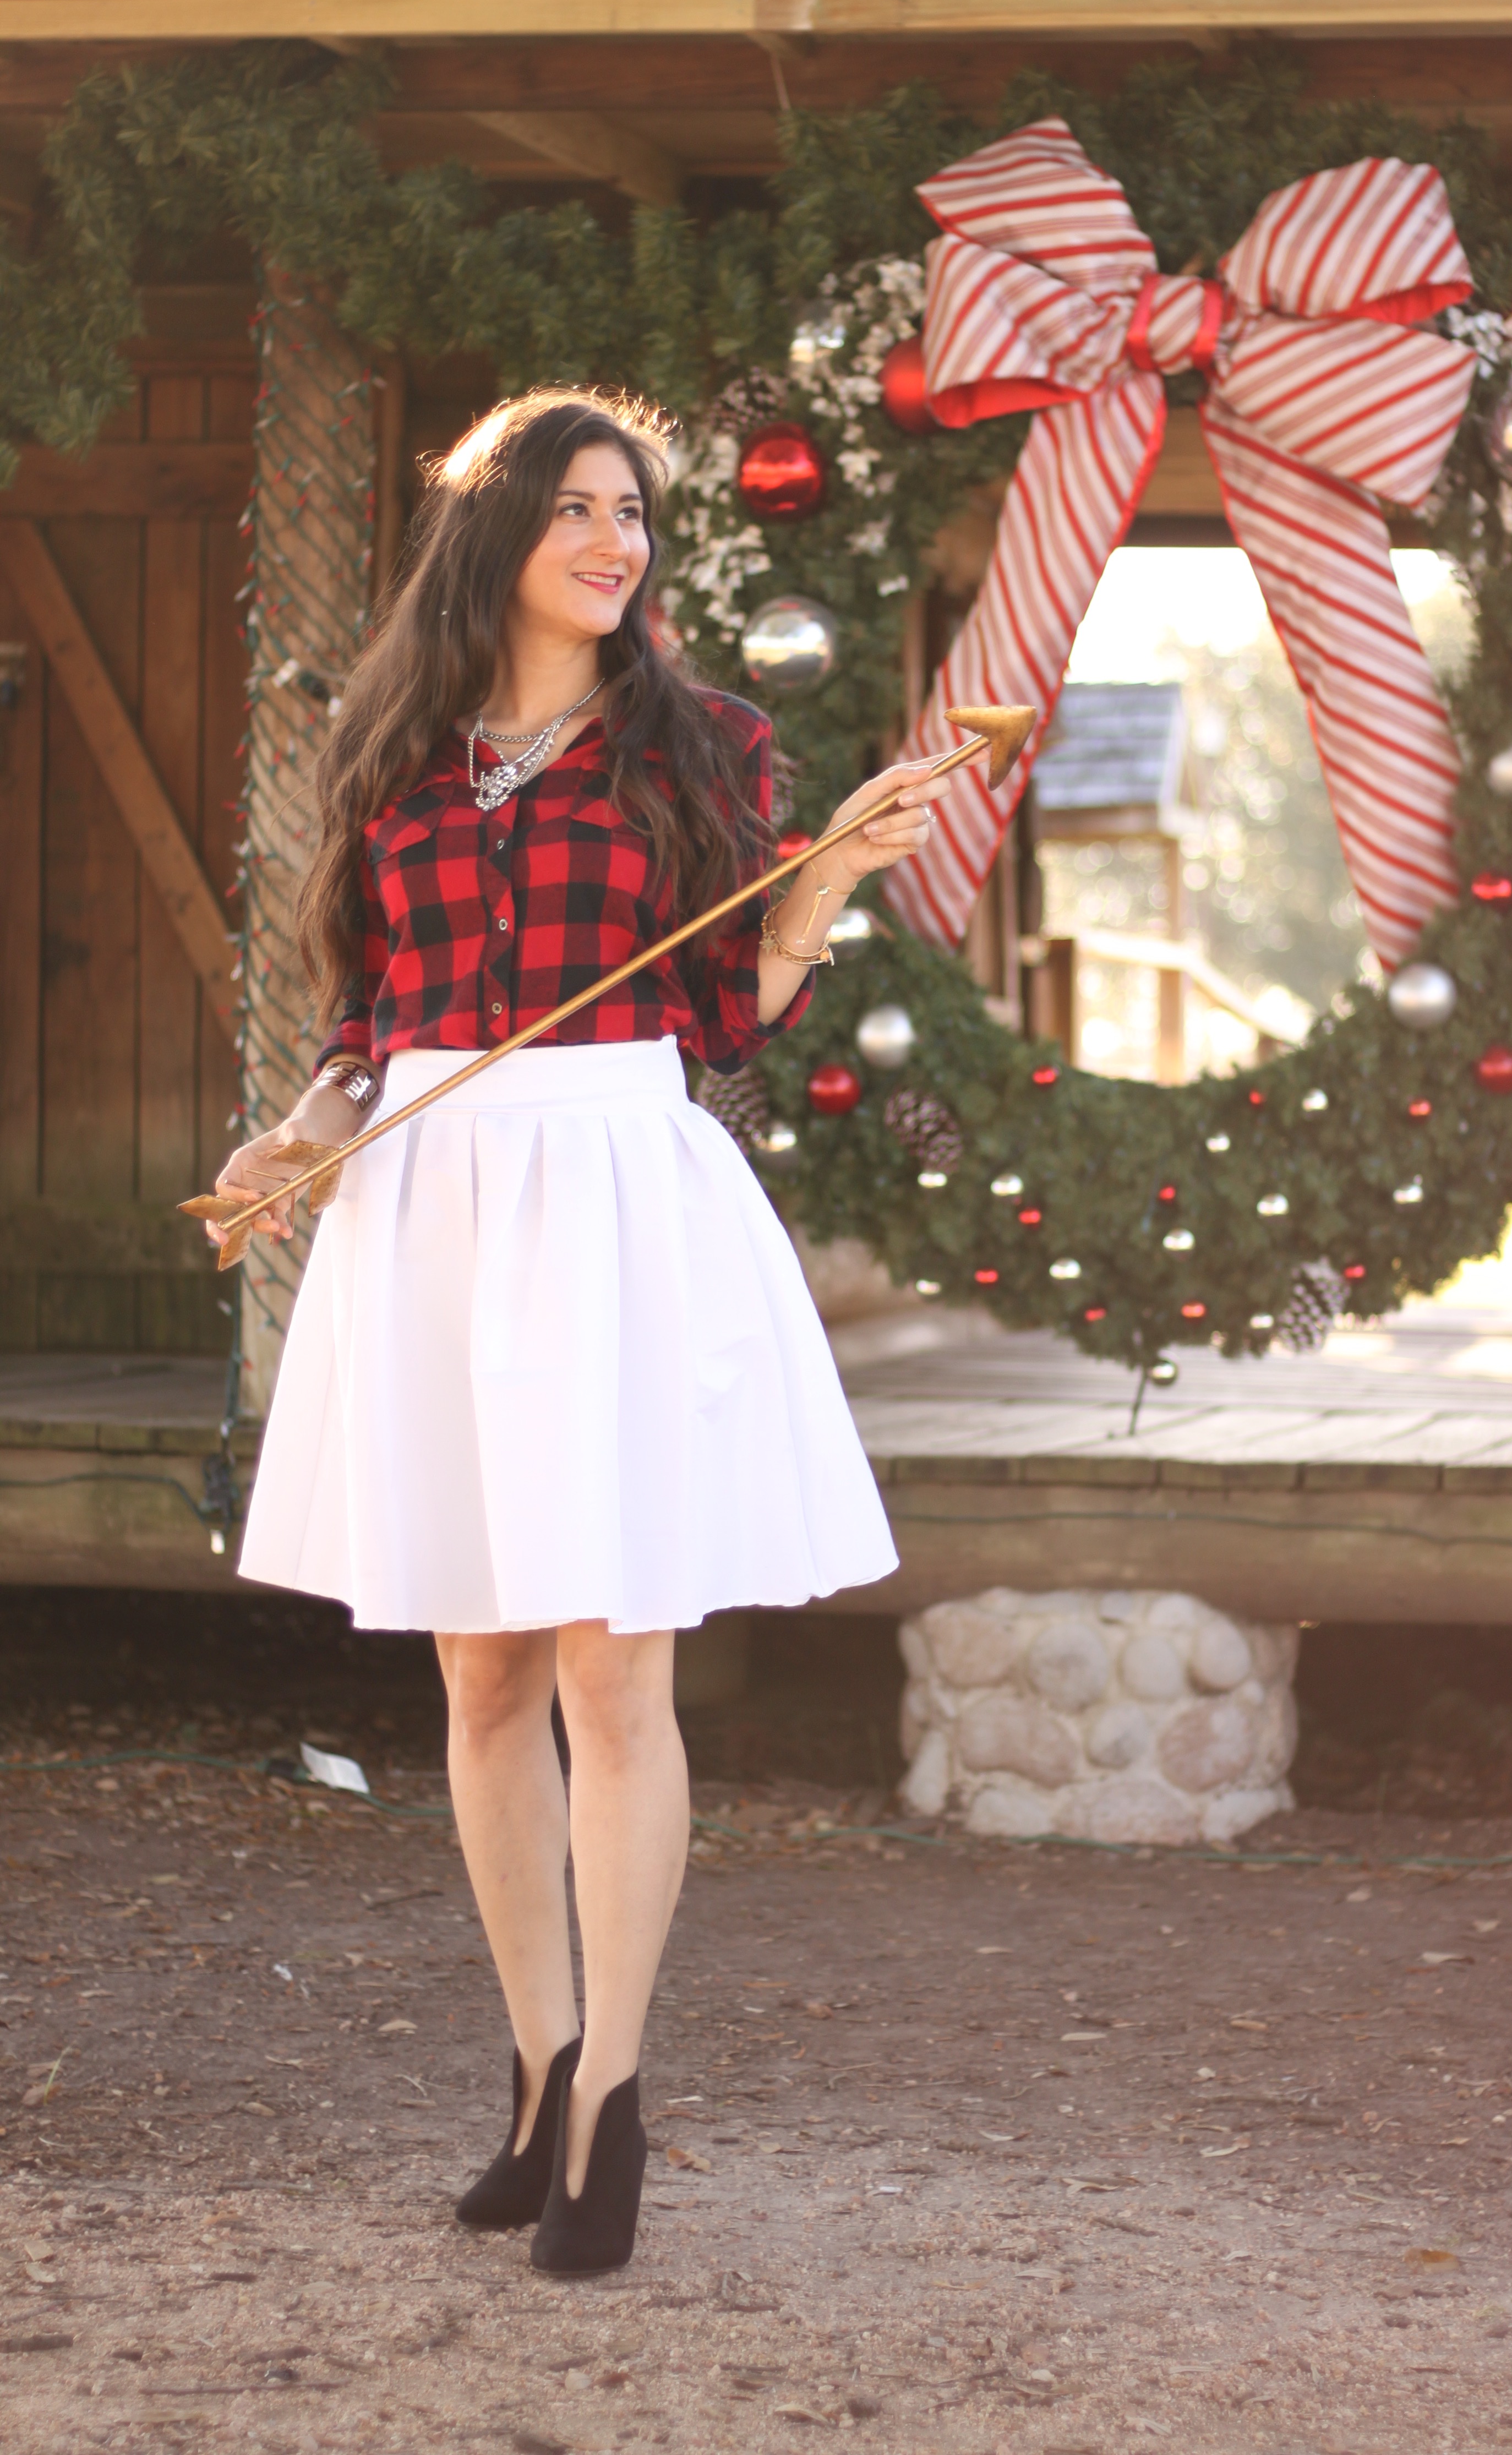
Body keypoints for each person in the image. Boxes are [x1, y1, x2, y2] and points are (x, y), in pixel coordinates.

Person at [212, 386, 958, 2277]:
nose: (618, 543)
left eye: (635, 514)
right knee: (481, 1676)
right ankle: (537, 2073)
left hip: (617, 1184)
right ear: (500, 537)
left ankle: (617, 2102)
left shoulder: (701, 740)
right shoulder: (392, 748)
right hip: (433, 1199)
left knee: (618, 1675)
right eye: (579, 512)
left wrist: (828, 890)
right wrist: (296, 1145)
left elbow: (722, 1011)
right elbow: (362, 1024)